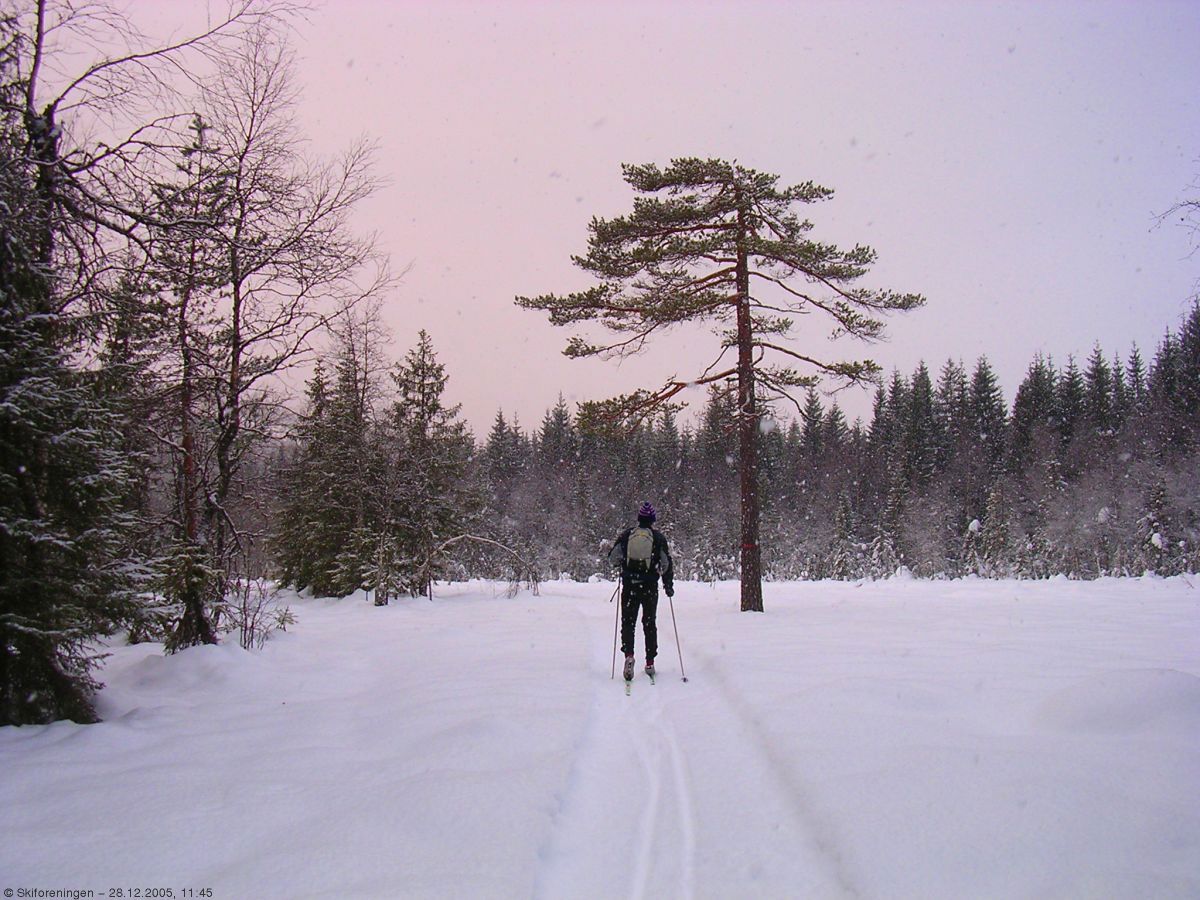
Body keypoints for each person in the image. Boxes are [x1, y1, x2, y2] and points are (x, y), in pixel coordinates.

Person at [608, 501, 674, 681]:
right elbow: (666, 564)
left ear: (639, 518)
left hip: (630, 586)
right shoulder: (658, 538)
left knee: (628, 623)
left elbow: (612, 559)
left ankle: (629, 655)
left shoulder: (627, 535)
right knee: (649, 623)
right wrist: (668, 585)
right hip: (649, 587)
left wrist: (624, 564)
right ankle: (650, 661)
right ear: (653, 520)